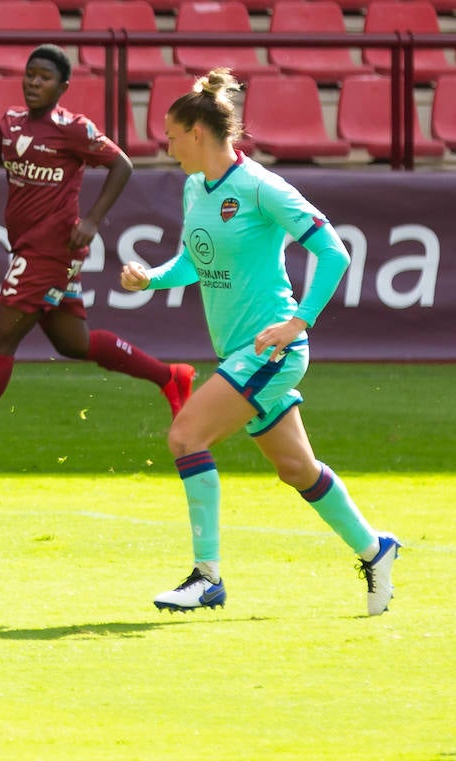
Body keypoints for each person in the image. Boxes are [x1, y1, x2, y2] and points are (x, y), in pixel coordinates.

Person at [120, 68, 400, 615]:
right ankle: (376, 548)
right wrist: (152, 277)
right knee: (297, 469)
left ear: (197, 133)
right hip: (242, 354)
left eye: (172, 135)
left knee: (185, 437)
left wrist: (300, 323)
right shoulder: (194, 187)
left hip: (271, 350)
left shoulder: (260, 187)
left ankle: (207, 578)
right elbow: (194, 262)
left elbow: (335, 252)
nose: (168, 146)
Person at [0, 44, 195, 468]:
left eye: (44, 77)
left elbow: (122, 165)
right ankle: (170, 377)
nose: (34, 83)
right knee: (72, 342)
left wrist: (94, 219)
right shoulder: (9, 123)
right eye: (30, 75)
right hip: (33, 248)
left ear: (62, 86)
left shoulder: (73, 129)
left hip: (51, 251)